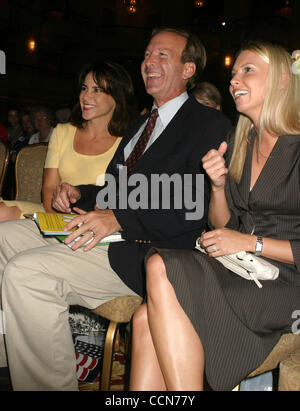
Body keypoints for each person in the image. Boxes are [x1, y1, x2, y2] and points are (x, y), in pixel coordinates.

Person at [0, 27, 231, 390]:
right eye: (147, 54)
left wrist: (119, 217)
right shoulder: (142, 123)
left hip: (143, 254)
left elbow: (193, 207)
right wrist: (80, 193)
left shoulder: (208, 124)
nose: (149, 62)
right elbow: (117, 191)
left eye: (162, 56)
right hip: (105, 231)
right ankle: (13, 349)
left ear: (188, 70)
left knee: (26, 273)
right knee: (4, 236)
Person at [129, 40, 300, 391]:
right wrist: (218, 187)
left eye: (247, 70)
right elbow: (223, 226)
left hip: (286, 280)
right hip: (242, 266)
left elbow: (242, 237)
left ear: (283, 81)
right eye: (233, 73)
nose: (235, 79)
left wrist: (251, 243)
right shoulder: (241, 142)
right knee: (144, 318)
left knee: (159, 265)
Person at [0, 59, 137, 222]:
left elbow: (125, 198)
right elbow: (49, 189)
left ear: (117, 96)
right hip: (55, 214)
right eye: (84, 88)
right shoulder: (62, 132)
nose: (86, 96)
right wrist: (60, 220)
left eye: (97, 90)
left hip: (97, 221)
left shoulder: (130, 140)